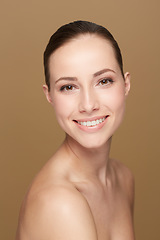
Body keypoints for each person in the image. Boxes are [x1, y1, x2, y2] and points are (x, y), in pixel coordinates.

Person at [16, 20, 135, 240]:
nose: (88, 105)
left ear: (126, 84)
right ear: (49, 95)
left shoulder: (123, 178)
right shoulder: (60, 203)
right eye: (68, 87)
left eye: (104, 81)